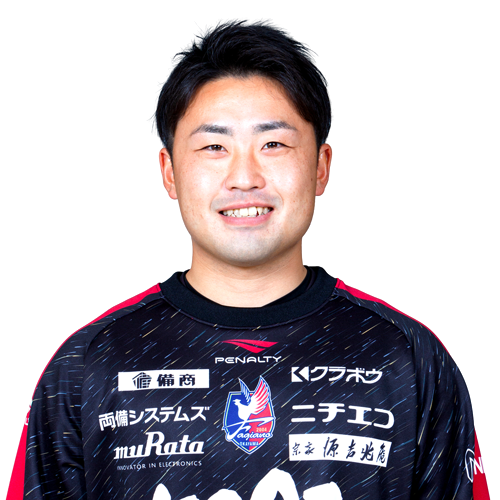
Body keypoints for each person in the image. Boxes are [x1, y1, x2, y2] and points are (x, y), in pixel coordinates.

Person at [6, 18, 490, 500]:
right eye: (214, 146)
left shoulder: (407, 357)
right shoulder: (88, 362)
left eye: (273, 144)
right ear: (169, 172)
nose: (244, 177)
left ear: (321, 167)